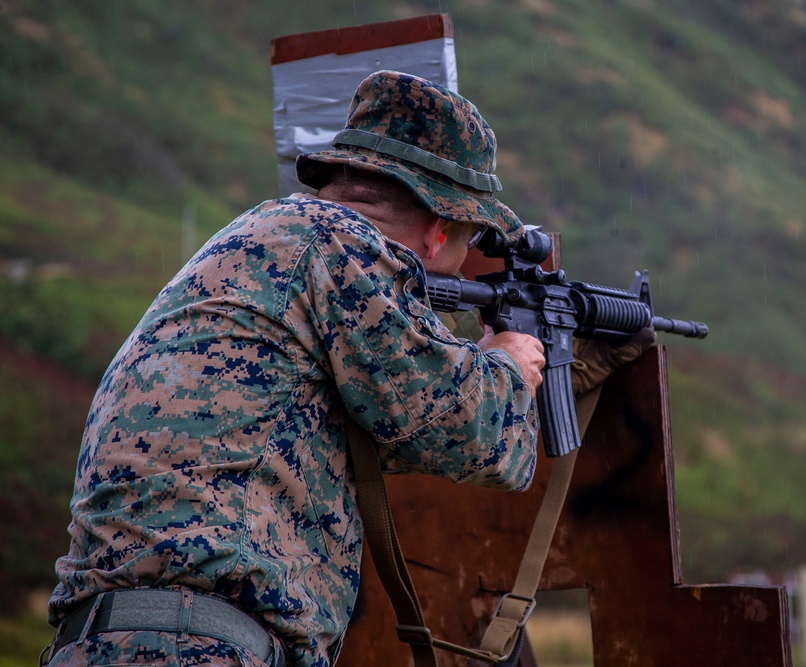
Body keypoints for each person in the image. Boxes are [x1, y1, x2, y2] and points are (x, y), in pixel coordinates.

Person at [43, 70, 648, 667]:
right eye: (468, 247)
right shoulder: (341, 246)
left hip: (116, 641)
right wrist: (510, 363)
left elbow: (380, 430)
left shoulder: (268, 240)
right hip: (195, 647)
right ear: (439, 233)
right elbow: (478, 439)